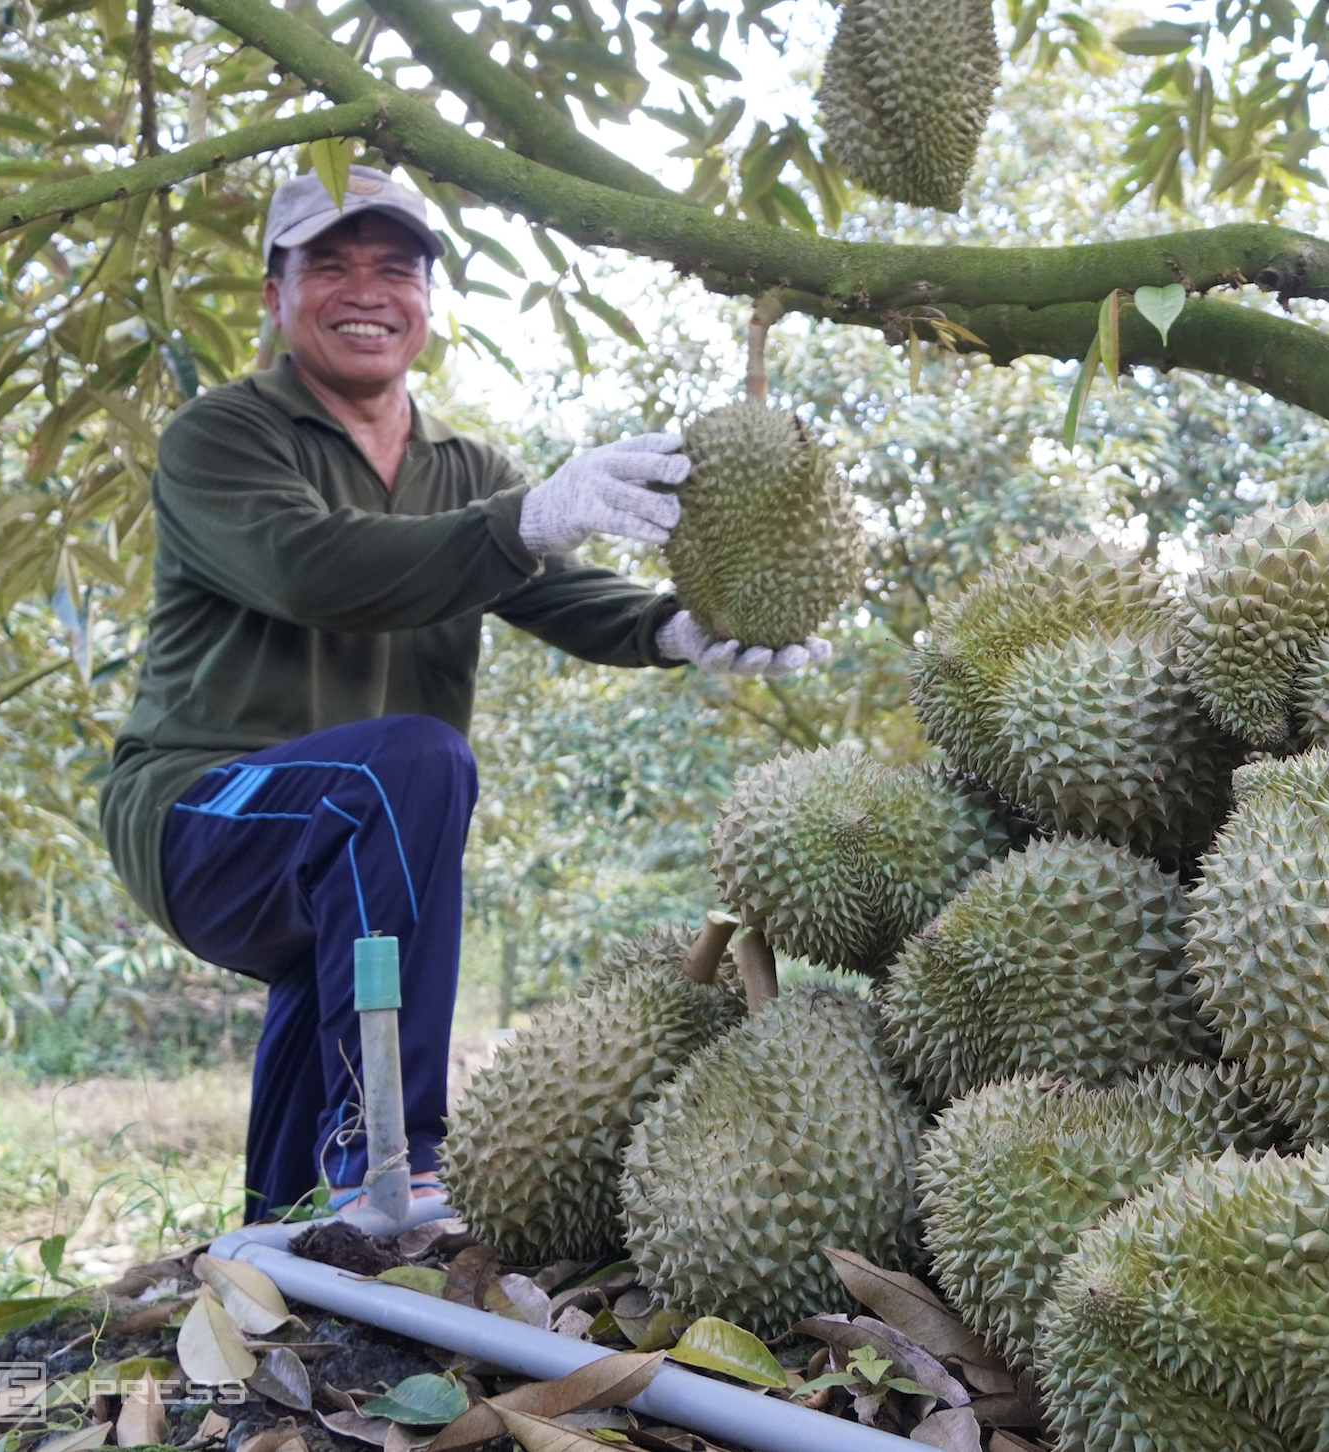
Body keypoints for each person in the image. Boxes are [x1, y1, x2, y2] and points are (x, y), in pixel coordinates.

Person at [97, 165, 823, 1221]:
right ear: (274, 294)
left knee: (365, 902)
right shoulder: (223, 437)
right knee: (411, 767)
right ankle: (395, 1158)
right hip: (201, 811)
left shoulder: (463, 465)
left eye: (394, 268)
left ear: (426, 302)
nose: (366, 291)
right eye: (331, 266)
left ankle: (291, 1236)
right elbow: (311, 566)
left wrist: (679, 628)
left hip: (358, 843)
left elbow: (560, 592)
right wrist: (529, 516)